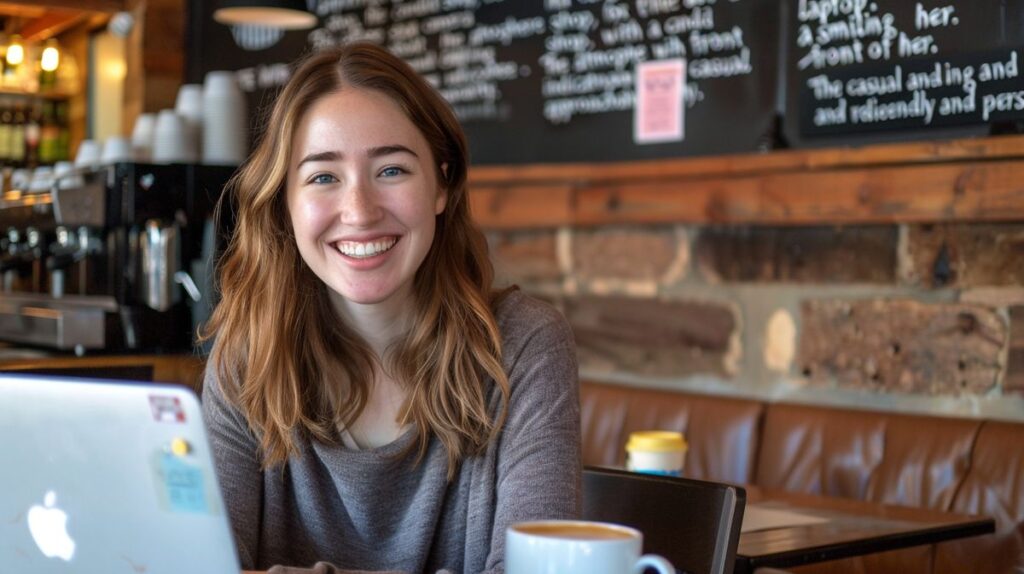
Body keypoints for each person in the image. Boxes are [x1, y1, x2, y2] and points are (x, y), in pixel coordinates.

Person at [200, 42, 581, 574]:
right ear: (285, 202)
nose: (359, 211)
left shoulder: (523, 347)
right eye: (323, 177)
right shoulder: (246, 359)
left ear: (442, 184)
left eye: (392, 170)